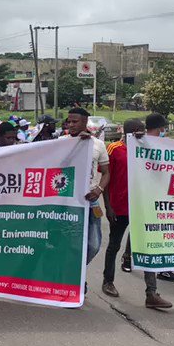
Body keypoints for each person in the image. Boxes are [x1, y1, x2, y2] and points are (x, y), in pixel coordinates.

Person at [100, 119, 172, 309]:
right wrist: (108, 206)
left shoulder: (148, 148)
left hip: (142, 207)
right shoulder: (115, 149)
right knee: (114, 245)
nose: (141, 134)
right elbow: (106, 177)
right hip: (119, 207)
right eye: (137, 131)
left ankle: (151, 293)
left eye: (143, 131)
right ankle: (108, 281)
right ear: (129, 133)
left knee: (148, 248)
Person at [140, 113, 174, 284]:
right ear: (159, 129)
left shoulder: (162, 144)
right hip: (152, 197)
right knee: (159, 235)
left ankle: (160, 269)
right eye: (163, 128)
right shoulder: (142, 143)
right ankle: (159, 272)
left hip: (162, 195)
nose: (164, 131)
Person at [64, 107, 109, 269]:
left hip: (90, 201)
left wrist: (99, 190)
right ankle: (76, 280)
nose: (71, 125)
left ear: (84, 122)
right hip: (68, 202)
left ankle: (76, 271)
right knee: (70, 245)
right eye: (69, 121)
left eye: (75, 121)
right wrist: (76, 145)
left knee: (94, 245)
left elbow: (106, 173)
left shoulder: (98, 145)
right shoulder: (62, 143)